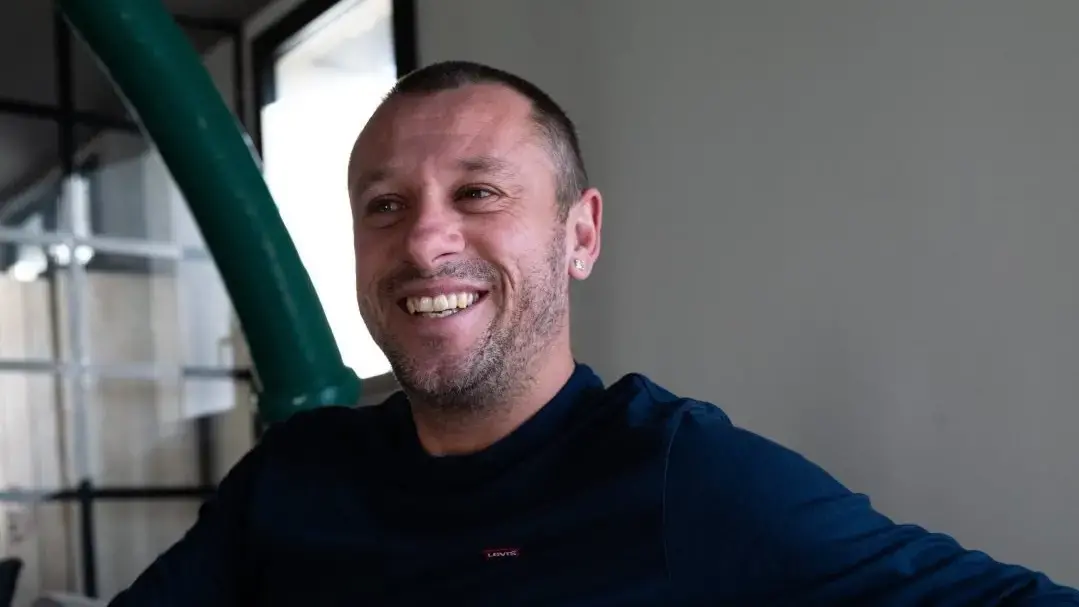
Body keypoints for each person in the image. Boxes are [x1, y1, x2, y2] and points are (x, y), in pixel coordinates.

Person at [109, 60, 1079, 606]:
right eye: (385, 205)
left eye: (478, 193)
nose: (424, 240)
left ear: (579, 235)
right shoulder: (291, 478)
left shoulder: (681, 478)